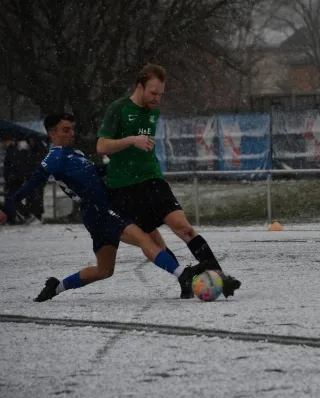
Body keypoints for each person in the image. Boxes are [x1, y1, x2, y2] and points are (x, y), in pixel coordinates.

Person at [0, 113, 213, 302]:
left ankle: (56, 287)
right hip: (98, 210)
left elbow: (94, 173)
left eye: (72, 129)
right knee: (146, 238)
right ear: (52, 134)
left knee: (104, 270)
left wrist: (118, 165)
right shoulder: (54, 157)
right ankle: (182, 274)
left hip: (98, 212)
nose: (71, 133)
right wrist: (6, 209)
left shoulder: (75, 153)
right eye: (65, 130)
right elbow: (32, 183)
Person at [96, 63, 241, 299]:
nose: (157, 99)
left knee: (185, 228)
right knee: (156, 244)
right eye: (153, 93)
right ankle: (185, 278)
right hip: (124, 187)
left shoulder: (153, 112)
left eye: (161, 94)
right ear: (139, 86)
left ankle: (220, 277)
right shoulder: (118, 109)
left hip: (153, 180)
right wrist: (132, 140)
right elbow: (102, 146)